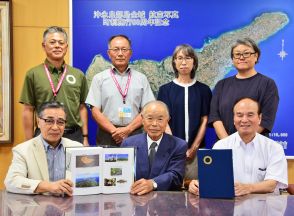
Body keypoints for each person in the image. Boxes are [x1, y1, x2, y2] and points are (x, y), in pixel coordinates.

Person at [189, 97, 288, 196]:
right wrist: (197, 185)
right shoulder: (221, 146)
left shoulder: (274, 148)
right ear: (234, 119)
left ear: (259, 118)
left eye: (250, 115)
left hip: (265, 208)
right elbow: (213, 180)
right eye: (239, 115)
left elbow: (271, 185)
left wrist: (247, 188)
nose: (244, 120)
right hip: (231, 208)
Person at [19, 26, 89, 145]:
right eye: (52, 42)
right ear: (44, 45)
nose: (57, 46)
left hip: (74, 136)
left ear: (66, 47)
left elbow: (82, 107)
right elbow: (28, 109)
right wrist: (29, 142)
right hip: (44, 134)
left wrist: (85, 137)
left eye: (61, 43)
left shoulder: (78, 74)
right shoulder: (33, 74)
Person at [86, 34, 154, 146]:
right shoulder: (99, 78)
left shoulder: (141, 78)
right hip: (107, 134)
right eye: (116, 49)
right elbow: (95, 110)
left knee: (135, 163)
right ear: (109, 53)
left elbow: (147, 110)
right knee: (107, 163)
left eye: (124, 49)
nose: (120, 53)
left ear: (130, 53)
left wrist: (128, 129)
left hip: (134, 133)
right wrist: (114, 131)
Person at [5, 101, 83, 196]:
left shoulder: (77, 148)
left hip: (69, 206)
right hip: (38, 207)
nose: (55, 127)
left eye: (60, 122)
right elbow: (11, 181)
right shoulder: (23, 150)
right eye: (49, 121)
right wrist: (48, 186)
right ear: (38, 122)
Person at [158, 44, 212, 180]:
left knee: (195, 190)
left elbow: (204, 120)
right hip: (171, 150)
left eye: (188, 58)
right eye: (179, 58)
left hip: (197, 151)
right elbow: (163, 120)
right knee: (171, 189)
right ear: (174, 62)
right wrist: (177, 146)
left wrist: (194, 148)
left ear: (194, 62)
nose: (183, 62)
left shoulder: (204, 90)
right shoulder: (165, 90)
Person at [209, 38, 279, 139]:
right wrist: (228, 143)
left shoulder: (267, 84)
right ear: (232, 58)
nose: (241, 57)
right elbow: (215, 117)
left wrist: (241, 143)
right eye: (237, 54)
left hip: (254, 147)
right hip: (224, 147)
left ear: (256, 56)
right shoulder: (221, 85)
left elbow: (266, 120)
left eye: (246, 53)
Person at [121, 100, 187, 195]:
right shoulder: (128, 143)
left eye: (160, 119)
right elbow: (123, 172)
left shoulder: (179, 145)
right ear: (142, 120)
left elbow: (176, 175)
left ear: (167, 121)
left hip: (165, 201)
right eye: (150, 118)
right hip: (135, 197)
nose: (154, 124)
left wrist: (153, 184)